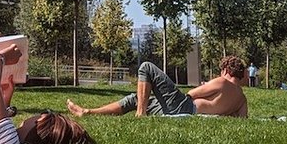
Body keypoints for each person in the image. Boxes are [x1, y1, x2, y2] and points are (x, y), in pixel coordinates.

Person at [66, 55, 249, 118]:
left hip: (183, 107)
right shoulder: (242, 99)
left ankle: (140, 114)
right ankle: (88, 112)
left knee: (146, 67)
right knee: (137, 98)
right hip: (184, 110)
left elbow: (192, 94)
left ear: (226, 70)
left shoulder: (221, 82)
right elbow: (241, 120)